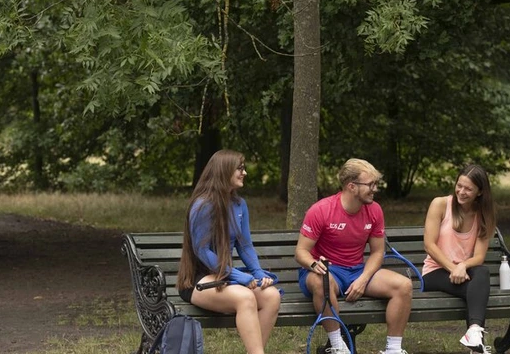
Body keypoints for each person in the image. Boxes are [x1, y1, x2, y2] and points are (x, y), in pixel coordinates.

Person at [295, 158, 412, 354]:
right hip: (325, 270)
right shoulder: (321, 210)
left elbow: (377, 252)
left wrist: (363, 280)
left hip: (356, 270)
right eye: (370, 184)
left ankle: (393, 349)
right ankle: (338, 346)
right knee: (321, 282)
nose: (375, 189)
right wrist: (314, 264)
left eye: (376, 184)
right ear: (351, 186)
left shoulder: (374, 210)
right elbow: (301, 252)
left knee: (404, 286)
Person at [176, 150, 282, 354]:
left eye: (244, 168)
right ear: (224, 170)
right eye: (239, 168)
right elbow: (202, 251)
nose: (244, 173)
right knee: (245, 297)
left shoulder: (239, 204)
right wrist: (236, 275)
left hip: (223, 275)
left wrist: (258, 273)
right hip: (198, 280)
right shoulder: (203, 205)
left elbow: (245, 246)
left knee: (272, 296)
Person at [422, 164, 497, 353]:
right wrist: (452, 267)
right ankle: (476, 344)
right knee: (476, 290)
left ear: (480, 192)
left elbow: (479, 257)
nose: (461, 192)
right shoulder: (440, 204)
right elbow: (429, 245)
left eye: (468, 189)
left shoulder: (483, 215)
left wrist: (462, 265)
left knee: (482, 273)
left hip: (464, 273)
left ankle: (473, 332)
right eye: (459, 185)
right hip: (435, 272)